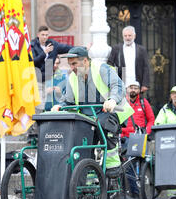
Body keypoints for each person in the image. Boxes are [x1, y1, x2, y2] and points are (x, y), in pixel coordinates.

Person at [51, 46, 134, 175]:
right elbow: (68, 100)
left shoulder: (101, 69)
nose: (72, 68)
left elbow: (117, 85)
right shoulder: (72, 78)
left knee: (103, 123)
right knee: (79, 136)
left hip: (111, 111)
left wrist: (112, 100)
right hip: (88, 117)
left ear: (85, 61)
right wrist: (60, 106)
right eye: (69, 65)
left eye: (74, 63)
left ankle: (113, 163)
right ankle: (87, 170)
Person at [30, 25, 73, 112]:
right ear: (38, 35)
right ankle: (37, 123)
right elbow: (33, 62)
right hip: (37, 78)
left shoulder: (52, 44)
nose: (45, 37)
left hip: (48, 78)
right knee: (39, 105)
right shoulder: (33, 45)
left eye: (46, 35)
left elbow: (66, 48)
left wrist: (82, 48)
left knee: (48, 102)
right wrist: (44, 52)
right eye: (43, 35)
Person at [107, 26, 150, 93]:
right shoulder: (116, 48)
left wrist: (145, 84)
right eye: (125, 35)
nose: (127, 38)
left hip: (137, 84)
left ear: (134, 36)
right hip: (122, 83)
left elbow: (146, 67)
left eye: (129, 35)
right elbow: (109, 64)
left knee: (136, 103)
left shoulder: (142, 49)